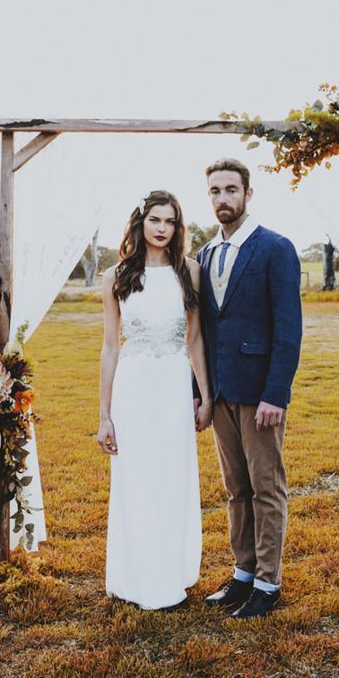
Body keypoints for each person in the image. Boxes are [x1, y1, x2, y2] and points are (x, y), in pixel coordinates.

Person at [195, 158, 302, 619]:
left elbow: (289, 328)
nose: (223, 198)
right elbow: (197, 331)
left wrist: (276, 393)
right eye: (215, 191)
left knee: (266, 487)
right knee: (236, 489)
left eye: (231, 190)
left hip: (260, 395)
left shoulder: (276, 248)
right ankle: (242, 573)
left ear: (248, 194)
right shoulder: (203, 256)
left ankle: (267, 582)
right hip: (219, 393)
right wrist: (198, 393)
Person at [97, 190, 212, 611]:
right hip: (134, 385)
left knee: (172, 476)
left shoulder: (191, 272)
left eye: (171, 222)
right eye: (155, 220)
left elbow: (195, 339)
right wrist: (104, 415)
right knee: (136, 478)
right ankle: (137, 575)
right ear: (140, 223)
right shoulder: (117, 276)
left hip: (172, 385)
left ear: (178, 228)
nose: (162, 228)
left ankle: (170, 571)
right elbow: (110, 347)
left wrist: (205, 397)